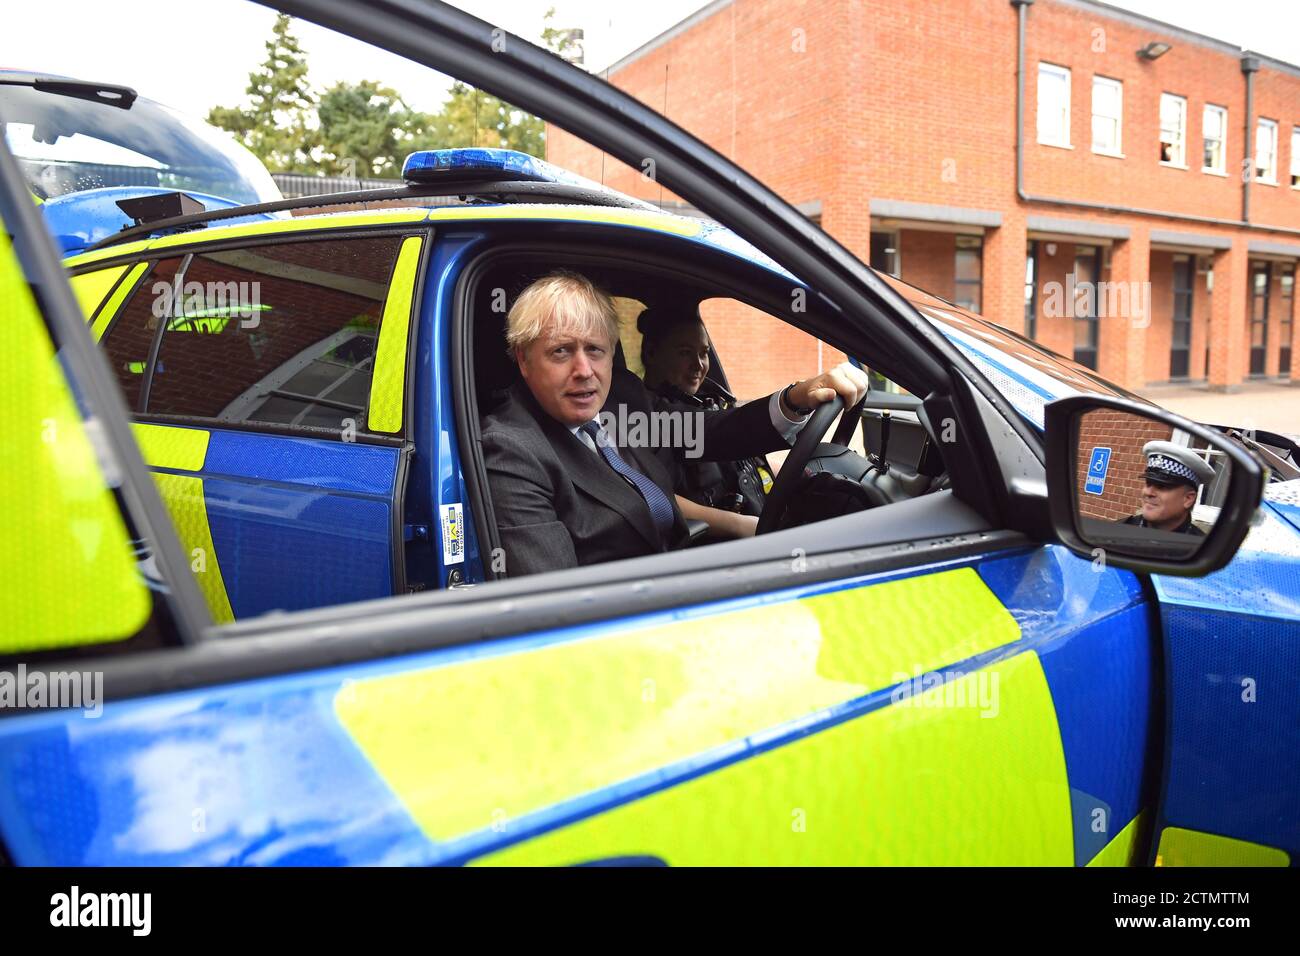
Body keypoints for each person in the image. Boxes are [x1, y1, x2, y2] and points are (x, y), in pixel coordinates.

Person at [480, 271, 868, 578]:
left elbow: (708, 432)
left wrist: (796, 398)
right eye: (561, 351)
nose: (584, 371)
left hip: (691, 568)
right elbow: (556, 606)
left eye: (595, 350)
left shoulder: (621, 401)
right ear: (524, 359)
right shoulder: (512, 451)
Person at [637, 307, 773, 540]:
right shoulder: (642, 419)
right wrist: (740, 525)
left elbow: (748, 462)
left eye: (704, 353)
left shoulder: (709, 401)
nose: (698, 364)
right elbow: (652, 495)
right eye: (684, 353)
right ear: (651, 353)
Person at [1120, 440, 1214, 536]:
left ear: (1188, 499)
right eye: (1148, 484)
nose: (1148, 492)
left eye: (1162, 486)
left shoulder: (1203, 546)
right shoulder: (1118, 531)